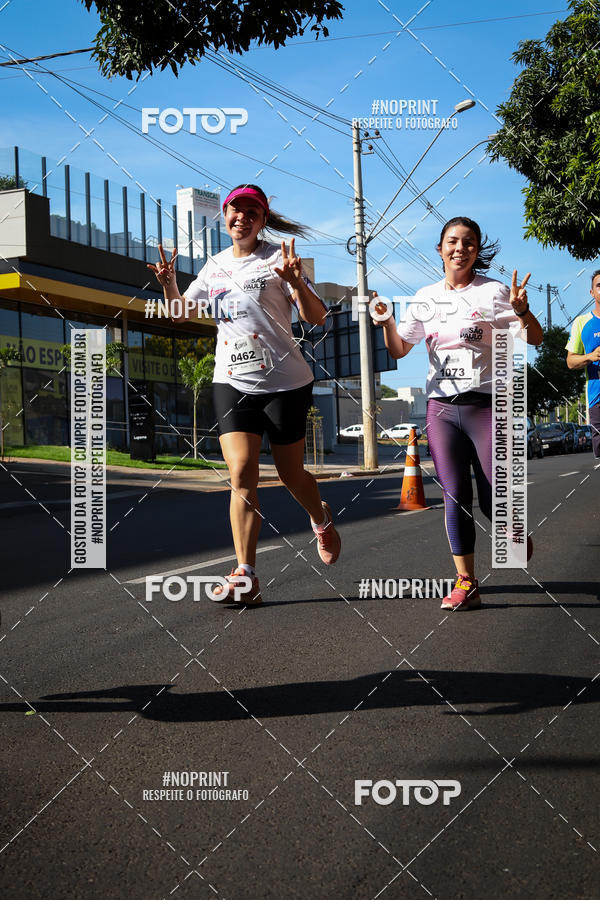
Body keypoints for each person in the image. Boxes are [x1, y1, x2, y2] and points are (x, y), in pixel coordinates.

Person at [148, 184, 341, 605]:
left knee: (291, 474)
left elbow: (317, 317)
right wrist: (168, 286)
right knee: (241, 472)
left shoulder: (278, 259)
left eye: (251, 211)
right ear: (225, 215)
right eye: (235, 210)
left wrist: (297, 283)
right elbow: (180, 315)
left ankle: (320, 518)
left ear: (263, 218)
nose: (242, 217)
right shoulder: (213, 266)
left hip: (285, 383)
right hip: (232, 381)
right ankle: (246, 575)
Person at [371, 216, 543, 610]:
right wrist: (386, 322)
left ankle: (511, 529)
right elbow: (399, 349)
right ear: (440, 249)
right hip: (441, 410)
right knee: (454, 495)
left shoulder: (496, 293)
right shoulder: (425, 297)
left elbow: (534, 338)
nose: (460, 248)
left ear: (477, 251)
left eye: (468, 243)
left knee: (492, 498)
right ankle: (466, 582)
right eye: (452, 241)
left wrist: (522, 312)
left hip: (486, 406)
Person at [566, 270, 600, 458]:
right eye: (599, 286)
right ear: (592, 293)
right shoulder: (582, 322)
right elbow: (570, 361)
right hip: (597, 399)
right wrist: (591, 356)